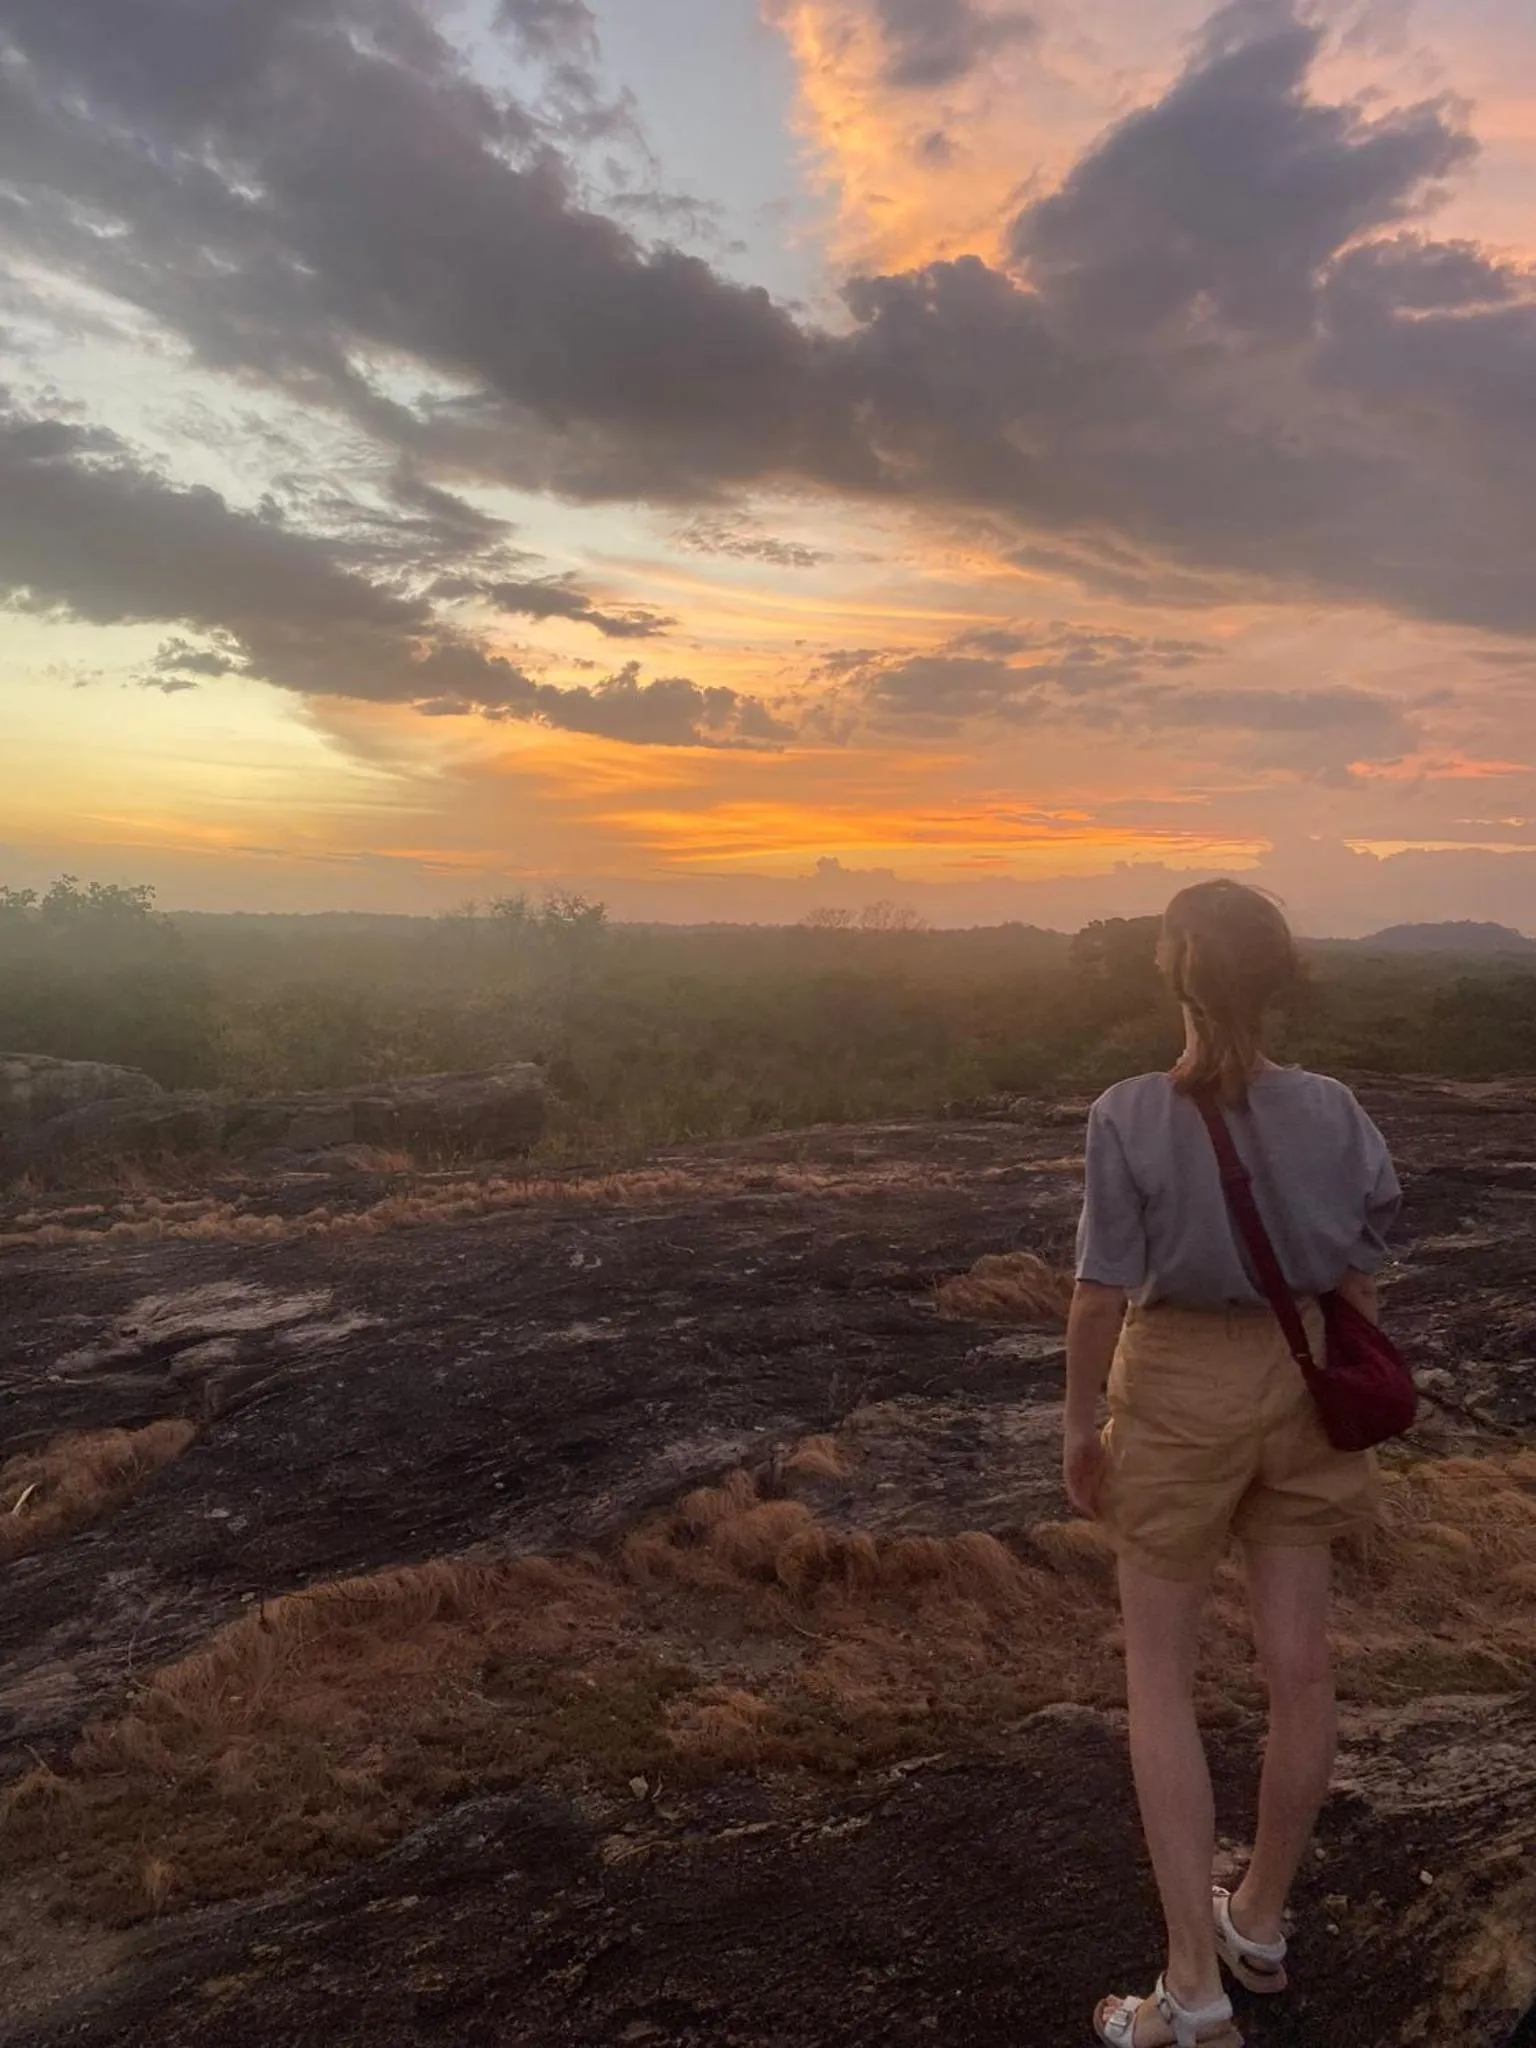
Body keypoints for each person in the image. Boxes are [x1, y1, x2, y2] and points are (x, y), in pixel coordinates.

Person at [1063, 879, 1401, 2048]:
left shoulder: (1126, 1113)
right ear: (1283, 971)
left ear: (1175, 971)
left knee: (1160, 1673)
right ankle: (1257, 1917)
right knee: (1299, 1660)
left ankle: (1192, 1990)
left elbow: (1101, 1288)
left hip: (1180, 1386)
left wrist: (1075, 1422)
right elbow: (1358, 1276)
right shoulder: (1339, 1108)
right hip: (1306, 1368)